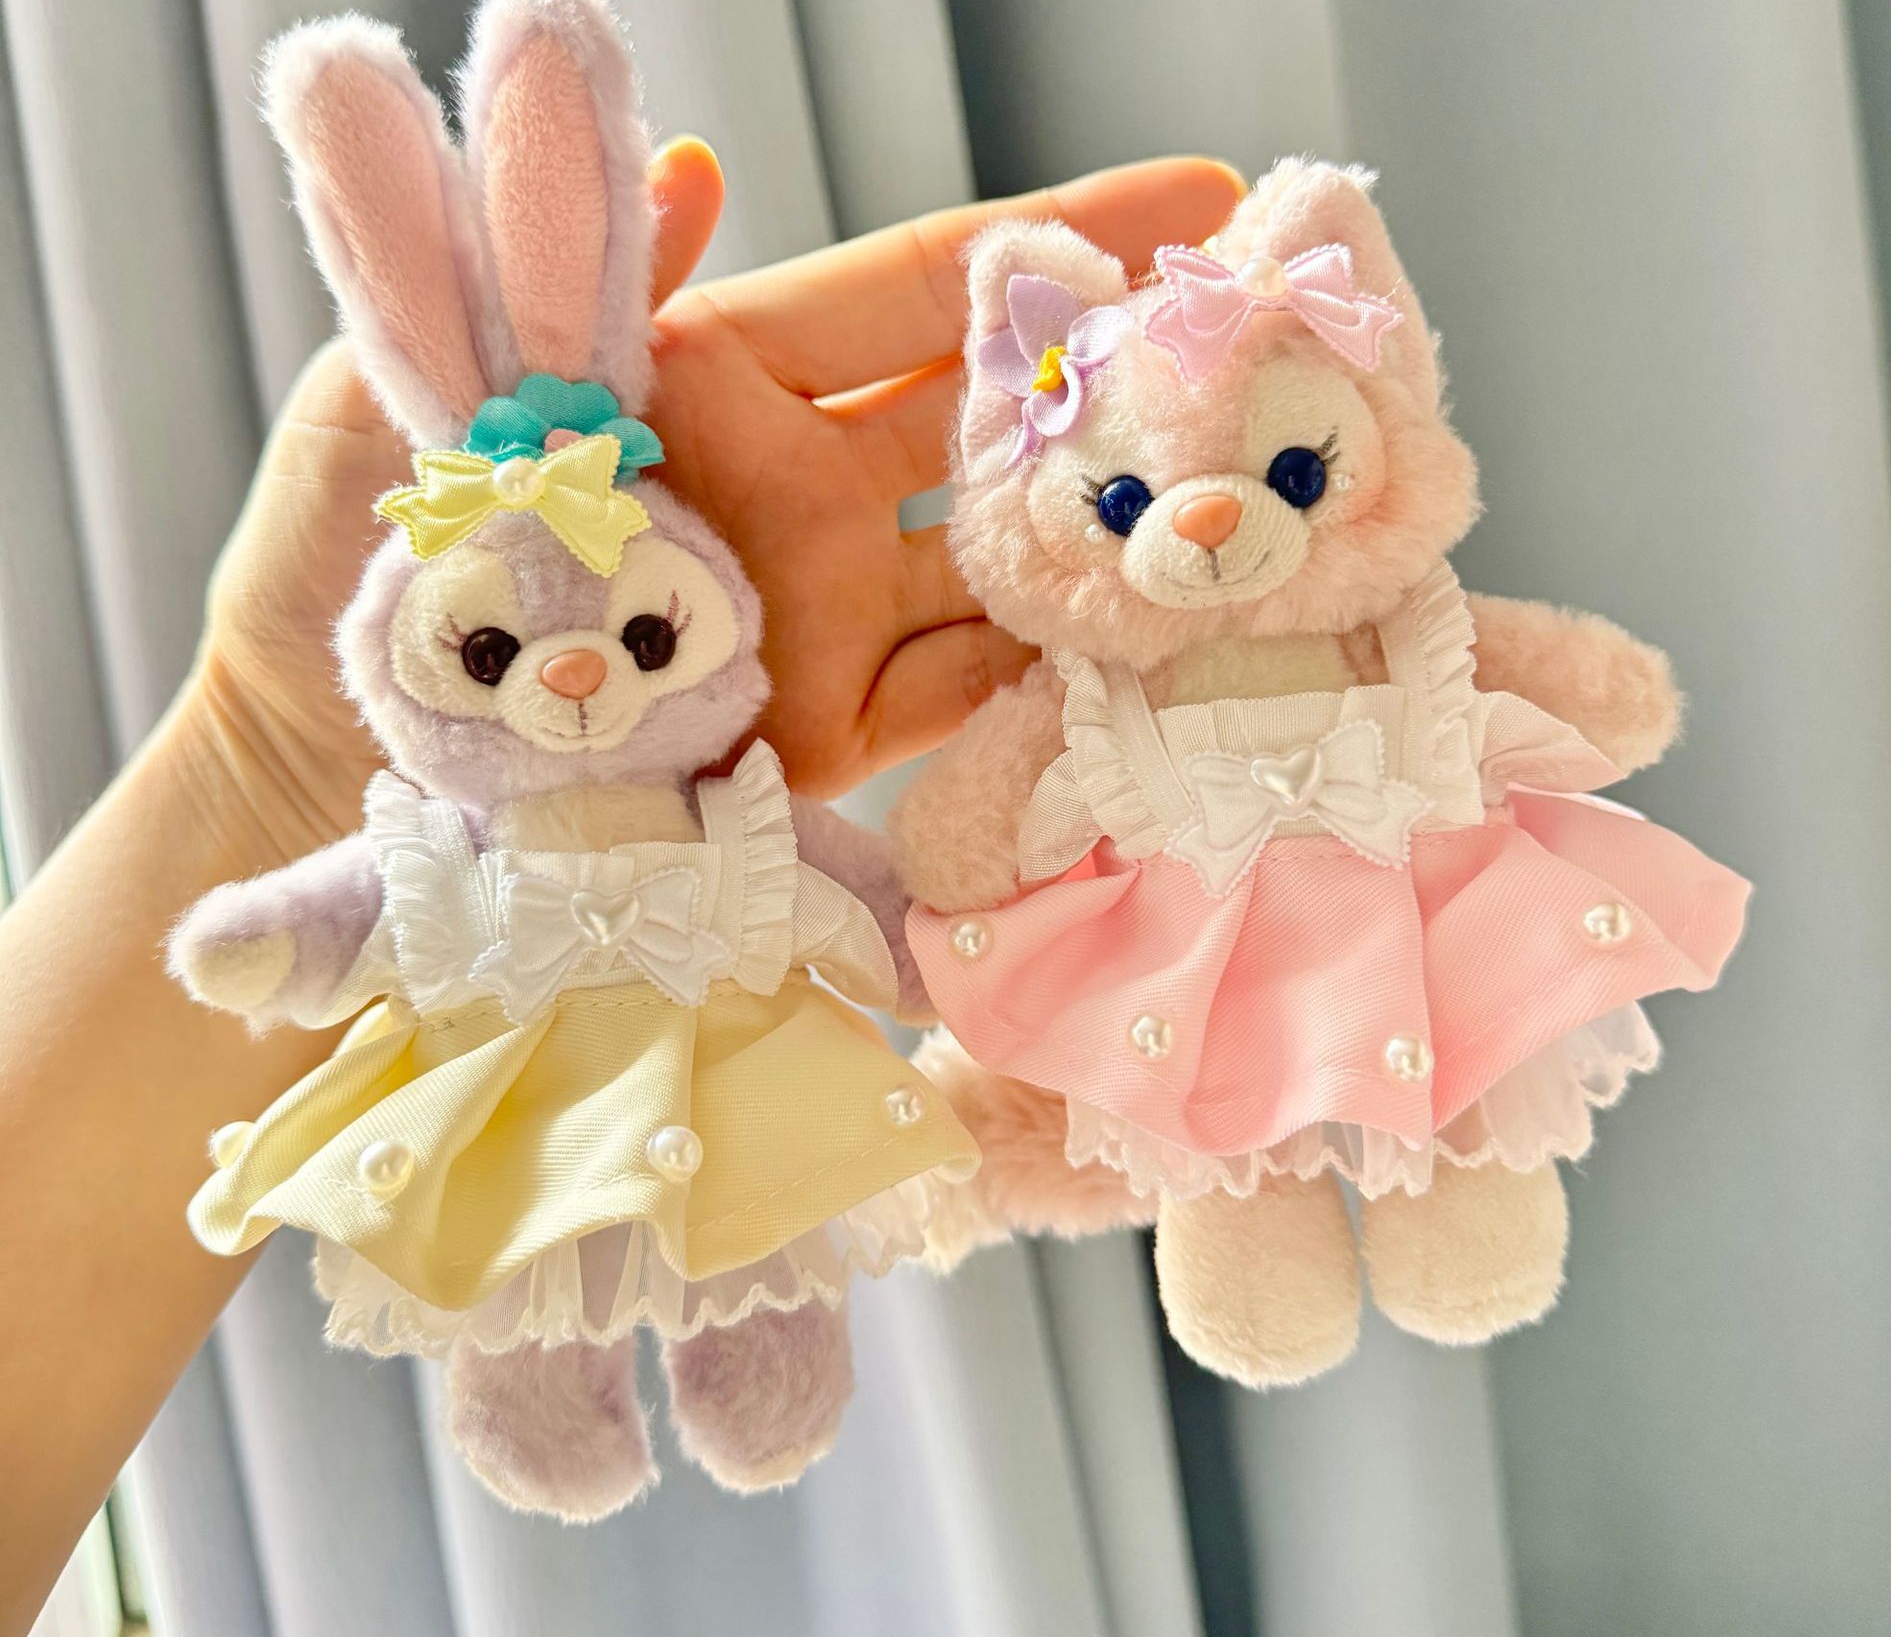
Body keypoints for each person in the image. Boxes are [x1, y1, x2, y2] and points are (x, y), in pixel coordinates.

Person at [0, 141, 1243, 1626]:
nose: (580, 678)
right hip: (526, 1089)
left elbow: (855, 900)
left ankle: (757, 1367)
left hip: (724, 1073)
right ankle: (545, 1401)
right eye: (490, 653)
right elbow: (347, 908)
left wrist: (930, 957)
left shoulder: (737, 816)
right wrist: (259, 828)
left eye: (647, 639)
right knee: (525, 1243)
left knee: (762, 1222)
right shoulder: (448, 840)